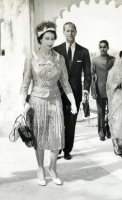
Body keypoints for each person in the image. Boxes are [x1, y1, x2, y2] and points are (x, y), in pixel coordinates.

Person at [20, 21, 77, 186]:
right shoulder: (31, 58)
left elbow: (65, 83)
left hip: (55, 101)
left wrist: (72, 102)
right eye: (47, 39)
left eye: (53, 38)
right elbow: (25, 83)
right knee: (39, 137)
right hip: (37, 102)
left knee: (57, 136)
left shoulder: (60, 58)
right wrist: (22, 104)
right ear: (40, 39)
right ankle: (40, 168)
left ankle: (52, 168)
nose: (51, 42)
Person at [53, 22, 91, 160]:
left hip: (75, 93)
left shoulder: (83, 51)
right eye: (67, 31)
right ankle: (56, 149)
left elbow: (87, 74)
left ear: (76, 32)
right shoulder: (56, 50)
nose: (70, 33)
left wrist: (86, 90)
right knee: (57, 121)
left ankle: (67, 150)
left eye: (72, 31)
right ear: (63, 32)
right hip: (58, 92)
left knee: (70, 122)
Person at [91, 40, 115, 141]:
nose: (102, 49)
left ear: (108, 47)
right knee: (101, 113)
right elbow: (92, 76)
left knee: (111, 112)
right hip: (99, 90)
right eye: (100, 47)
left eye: (104, 47)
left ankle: (109, 130)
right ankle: (101, 133)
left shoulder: (113, 60)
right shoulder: (95, 60)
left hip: (112, 90)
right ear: (98, 48)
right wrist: (93, 91)